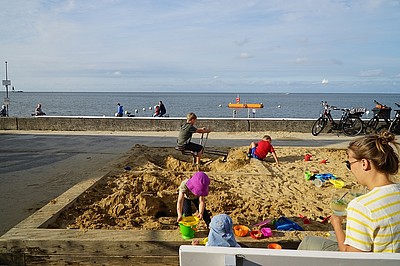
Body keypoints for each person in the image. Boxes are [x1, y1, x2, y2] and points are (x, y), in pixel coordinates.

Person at [298, 131, 400, 252]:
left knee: (308, 242)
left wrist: (336, 224)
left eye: (349, 164)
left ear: (364, 163)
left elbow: (351, 259)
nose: (350, 170)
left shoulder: (362, 206)